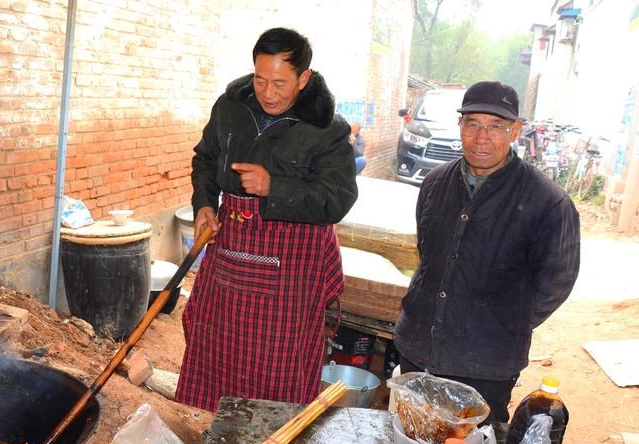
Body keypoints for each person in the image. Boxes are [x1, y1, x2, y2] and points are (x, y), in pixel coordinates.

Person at [175, 27, 358, 412]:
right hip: (231, 249)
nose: (268, 93)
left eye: (280, 83)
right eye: (260, 79)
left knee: (280, 363)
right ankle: (211, 428)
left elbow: (338, 199)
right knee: (213, 342)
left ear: (304, 78)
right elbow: (205, 159)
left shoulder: (327, 129)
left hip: (291, 263)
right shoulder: (230, 108)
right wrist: (204, 204)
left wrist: (275, 187)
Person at [393, 80, 580, 423]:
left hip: (486, 364)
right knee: (412, 441)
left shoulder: (547, 202)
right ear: (460, 126)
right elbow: (429, 254)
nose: (482, 138)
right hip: (418, 348)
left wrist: (500, 322)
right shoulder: (435, 183)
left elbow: (557, 280)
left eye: (496, 126)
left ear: (516, 131)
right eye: (473, 124)